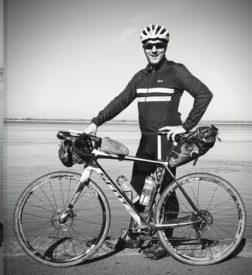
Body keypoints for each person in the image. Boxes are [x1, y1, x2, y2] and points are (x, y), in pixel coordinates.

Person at [84, 24, 212, 259]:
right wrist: (96, 122)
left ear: (165, 46)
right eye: (149, 45)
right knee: (137, 188)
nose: (154, 49)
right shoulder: (141, 77)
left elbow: (204, 93)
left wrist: (185, 126)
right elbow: (120, 101)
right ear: (143, 48)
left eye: (158, 45)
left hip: (166, 141)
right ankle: (139, 233)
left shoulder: (175, 70)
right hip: (146, 141)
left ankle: (167, 240)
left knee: (166, 191)